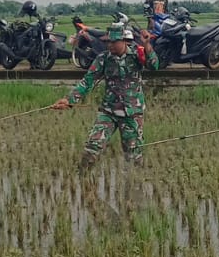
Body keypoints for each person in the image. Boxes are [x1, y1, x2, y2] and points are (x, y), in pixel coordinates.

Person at [52, 25, 162, 167]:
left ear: (124, 41)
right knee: (92, 148)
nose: (110, 45)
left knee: (133, 154)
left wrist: (147, 45)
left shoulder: (136, 55)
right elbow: (87, 82)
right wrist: (69, 100)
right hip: (108, 111)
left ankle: (135, 184)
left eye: (114, 42)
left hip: (132, 113)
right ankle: (83, 179)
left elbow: (154, 66)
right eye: (108, 42)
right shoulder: (103, 59)